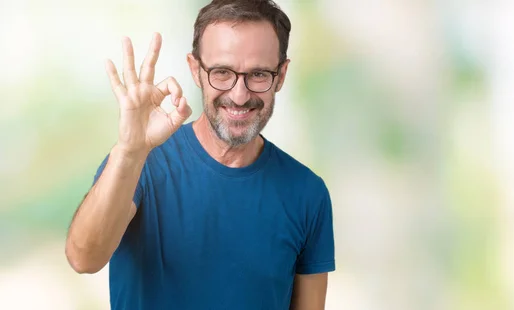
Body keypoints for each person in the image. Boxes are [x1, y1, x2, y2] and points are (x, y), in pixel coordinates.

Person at [64, 0, 336, 309]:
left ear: (282, 74)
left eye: (259, 74)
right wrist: (128, 152)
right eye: (222, 72)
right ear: (196, 69)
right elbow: (83, 258)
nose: (239, 94)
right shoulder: (141, 162)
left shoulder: (307, 193)